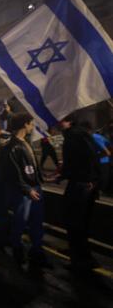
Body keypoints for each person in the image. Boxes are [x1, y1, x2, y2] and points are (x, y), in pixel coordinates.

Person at [2, 113, 51, 268]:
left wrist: (43, 179)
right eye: (31, 124)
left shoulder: (26, 142)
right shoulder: (12, 146)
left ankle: (37, 252)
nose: (32, 127)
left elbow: (32, 166)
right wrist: (27, 189)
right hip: (24, 192)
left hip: (34, 188)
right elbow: (12, 172)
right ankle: (17, 250)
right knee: (20, 222)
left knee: (36, 222)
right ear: (25, 124)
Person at [60, 115, 102, 272]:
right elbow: (91, 158)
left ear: (69, 121)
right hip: (87, 185)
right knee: (81, 224)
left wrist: (63, 175)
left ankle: (80, 260)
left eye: (61, 120)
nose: (58, 123)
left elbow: (74, 163)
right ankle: (83, 257)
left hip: (80, 185)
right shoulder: (83, 134)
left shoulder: (73, 136)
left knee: (74, 223)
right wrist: (95, 181)